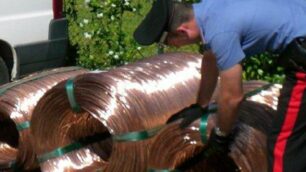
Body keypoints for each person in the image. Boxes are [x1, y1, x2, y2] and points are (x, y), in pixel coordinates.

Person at [133, 0, 306, 171]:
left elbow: (232, 98)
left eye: (170, 43)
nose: (175, 47)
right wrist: (201, 105)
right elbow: (210, 59)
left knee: (283, 146)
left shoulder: (220, 33)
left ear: (182, 32)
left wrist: (221, 135)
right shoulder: (210, 9)